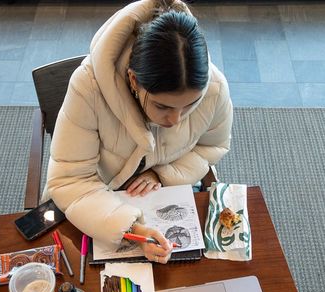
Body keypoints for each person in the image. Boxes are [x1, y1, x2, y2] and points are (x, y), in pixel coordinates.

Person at [43, 0, 233, 264]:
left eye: (191, 104)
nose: (176, 120)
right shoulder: (88, 87)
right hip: (93, 196)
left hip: (162, 192)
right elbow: (69, 181)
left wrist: (164, 173)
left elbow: (211, 147)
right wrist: (130, 230)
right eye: (162, 106)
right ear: (134, 80)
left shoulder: (214, 88)